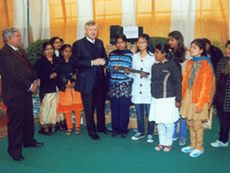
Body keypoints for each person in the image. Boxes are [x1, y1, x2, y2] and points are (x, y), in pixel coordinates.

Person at [0, 28, 43, 161]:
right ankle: (14, 150)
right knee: (16, 123)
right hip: (14, 94)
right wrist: (30, 86)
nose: (20, 38)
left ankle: (28, 141)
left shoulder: (18, 50)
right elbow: (12, 75)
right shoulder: (4, 53)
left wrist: (34, 80)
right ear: (8, 39)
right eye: (17, 36)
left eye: (19, 36)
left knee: (28, 118)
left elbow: (29, 68)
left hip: (24, 93)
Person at [72, 20, 111, 140]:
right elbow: (75, 62)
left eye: (95, 30)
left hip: (100, 80)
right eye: (91, 30)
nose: (93, 32)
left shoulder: (100, 42)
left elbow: (104, 57)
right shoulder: (78, 44)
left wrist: (104, 61)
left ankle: (101, 127)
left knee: (100, 106)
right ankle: (91, 131)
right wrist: (91, 63)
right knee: (89, 108)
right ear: (85, 31)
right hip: (86, 82)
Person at [180, 39, 214, 157]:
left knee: (197, 124)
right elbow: (184, 81)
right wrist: (182, 97)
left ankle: (200, 147)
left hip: (199, 98)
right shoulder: (190, 63)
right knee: (189, 122)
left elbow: (206, 86)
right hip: (188, 96)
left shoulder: (206, 64)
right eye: (191, 47)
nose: (191, 50)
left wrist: (200, 104)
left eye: (194, 48)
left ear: (201, 50)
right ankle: (192, 145)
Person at [149, 43, 181, 152]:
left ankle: (168, 143)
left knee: (168, 122)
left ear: (164, 53)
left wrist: (178, 99)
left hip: (168, 98)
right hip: (156, 98)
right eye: (155, 52)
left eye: (157, 52)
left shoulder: (172, 65)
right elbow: (152, 82)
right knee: (160, 122)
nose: (155, 54)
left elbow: (178, 82)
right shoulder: (154, 66)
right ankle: (161, 141)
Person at [125, 34, 155, 143]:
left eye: (143, 42)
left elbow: (155, 74)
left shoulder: (152, 57)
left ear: (147, 43)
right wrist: (129, 72)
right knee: (139, 112)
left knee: (150, 113)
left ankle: (150, 133)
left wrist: (148, 76)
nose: (140, 44)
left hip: (148, 89)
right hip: (137, 88)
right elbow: (133, 75)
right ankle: (141, 131)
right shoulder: (135, 56)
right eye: (139, 42)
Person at [34, 42, 65, 135]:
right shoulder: (40, 61)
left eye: (51, 49)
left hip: (57, 86)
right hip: (46, 87)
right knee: (47, 107)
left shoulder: (58, 60)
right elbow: (36, 74)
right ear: (43, 51)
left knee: (57, 106)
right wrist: (48, 76)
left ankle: (57, 125)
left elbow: (62, 71)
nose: (49, 51)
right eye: (47, 49)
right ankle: (45, 127)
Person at [107, 34, 133, 138]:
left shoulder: (130, 55)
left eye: (122, 42)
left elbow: (132, 69)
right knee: (114, 107)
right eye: (117, 42)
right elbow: (108, 68)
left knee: (124, 107)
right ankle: (115, 129)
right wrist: (113, 69)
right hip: (113, 84)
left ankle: (123, 130)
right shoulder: (112, 54)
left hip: (125, 84)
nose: (120, 44)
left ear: (126, 43)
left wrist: (127, 71)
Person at [55, 44, 84, 136]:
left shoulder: (75, 61)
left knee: (77, 108)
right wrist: (64, 84)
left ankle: (78, 126)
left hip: (75, 87)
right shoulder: (58, 62)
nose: (68, 53)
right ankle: (69, 127)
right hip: (65, 88)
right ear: (62, 52)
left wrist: (75, 81)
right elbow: (56, 76)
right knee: (67, 109)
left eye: (70, 51)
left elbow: (80, 73)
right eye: (66, 51)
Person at [168, 30, 190, 146]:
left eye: (172, 40)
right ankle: (173, 134)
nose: (170, 42)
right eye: (169, 40)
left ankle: (182, 135)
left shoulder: (186, 53)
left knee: (182, 112)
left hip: (183, 85)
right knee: (173, 111)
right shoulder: (169, 53)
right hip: (171, 85)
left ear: (178, 40)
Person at [210, 40, 230, 147]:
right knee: (223, 119)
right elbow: (216, 80)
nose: (227, 50)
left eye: (229, 49)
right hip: (221, 97)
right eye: (227, 48)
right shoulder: (222, 62)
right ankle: (223, 140)